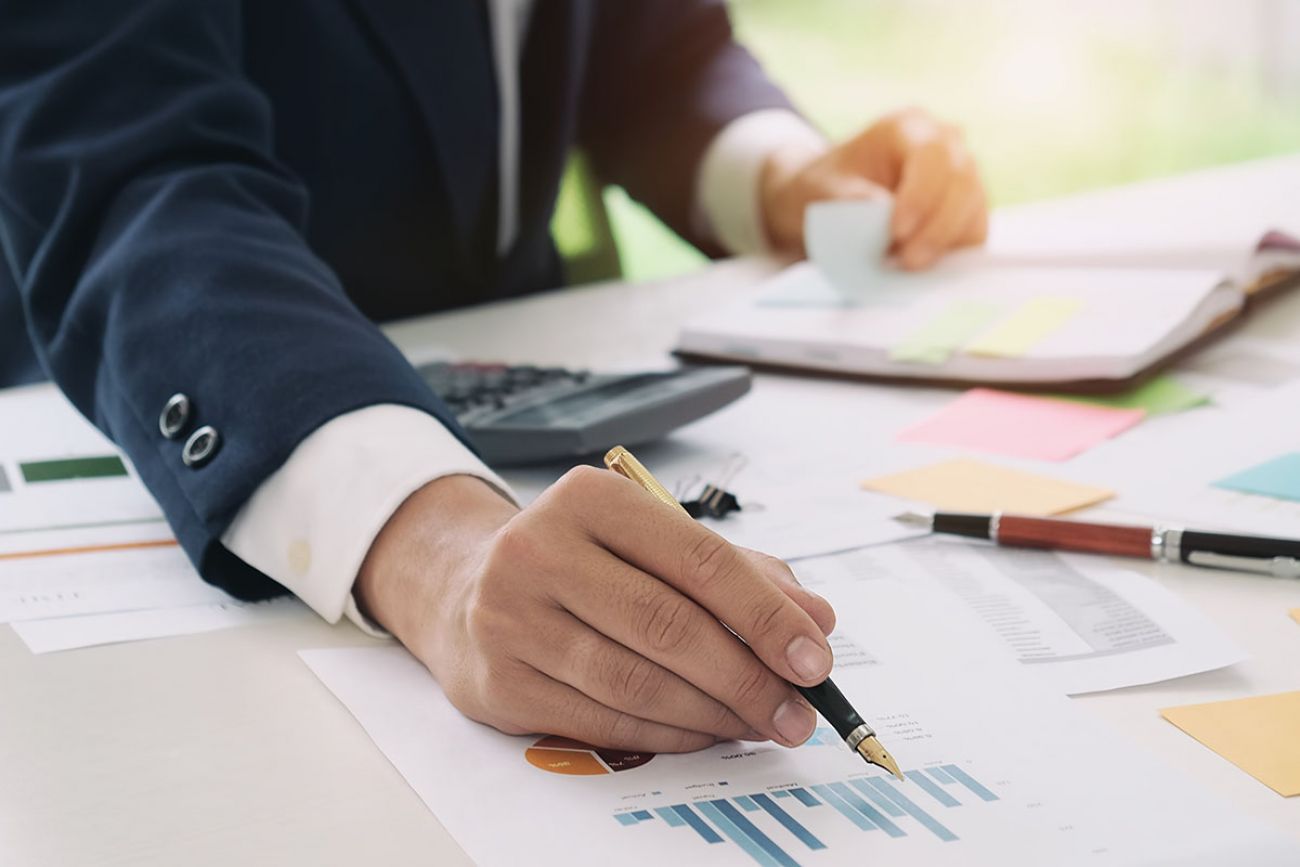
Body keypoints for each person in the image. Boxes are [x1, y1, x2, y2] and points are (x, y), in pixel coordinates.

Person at [0, 1, 986, 753]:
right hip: (190, 410)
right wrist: (437, 553)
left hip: (529, 397)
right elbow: (136, 172)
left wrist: (776, 175)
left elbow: (646, 56)